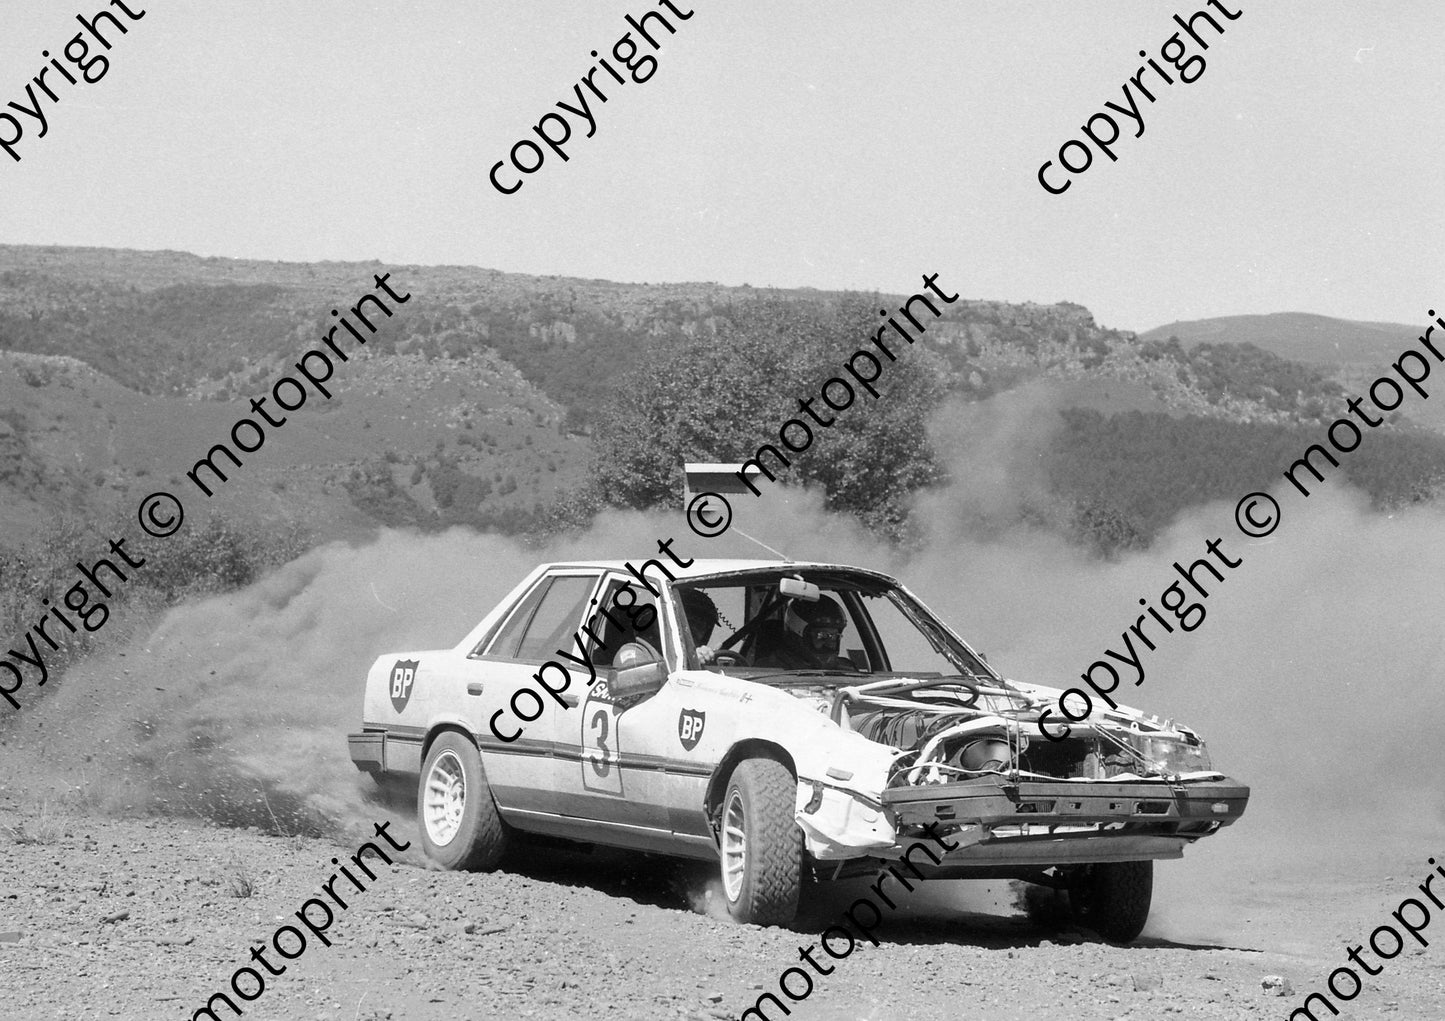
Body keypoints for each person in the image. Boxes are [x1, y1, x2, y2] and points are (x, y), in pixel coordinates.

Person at [773, 595, 857, 671]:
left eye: (834, 637)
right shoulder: (770, 670)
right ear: (797, 636)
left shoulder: (847, 670)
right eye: (822, 636)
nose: (829, 644)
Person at [679, 588, 721, 665]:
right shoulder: (654, 652)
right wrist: (689, 658)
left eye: (703, 622)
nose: (696, 627)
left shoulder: (704, 654)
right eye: (691, 620)